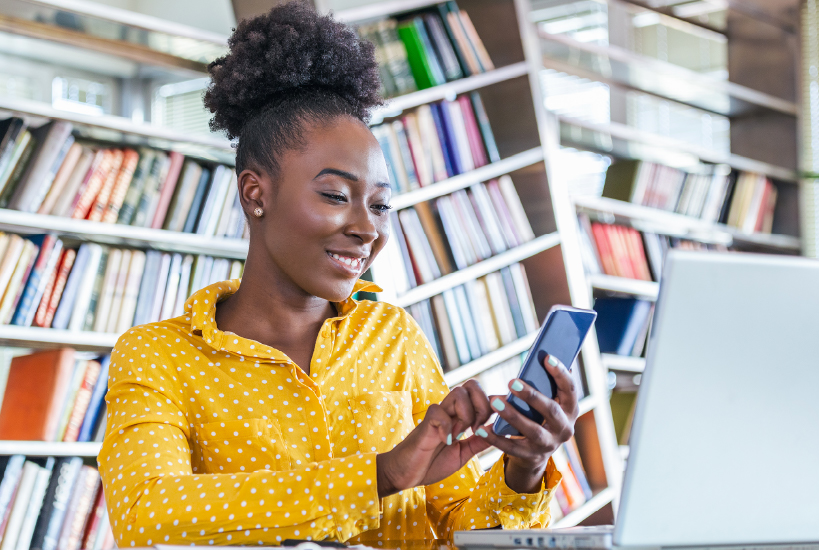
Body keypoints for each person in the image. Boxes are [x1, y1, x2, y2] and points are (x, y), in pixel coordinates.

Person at [97, 2, 580, 545]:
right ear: (255, 192)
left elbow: (458, 526)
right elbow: (150, 516)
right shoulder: (159, 356)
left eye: (379, 206)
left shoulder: (392, 338)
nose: (367, 229)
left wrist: (526, 466)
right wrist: (382, 475)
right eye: (334, 196)